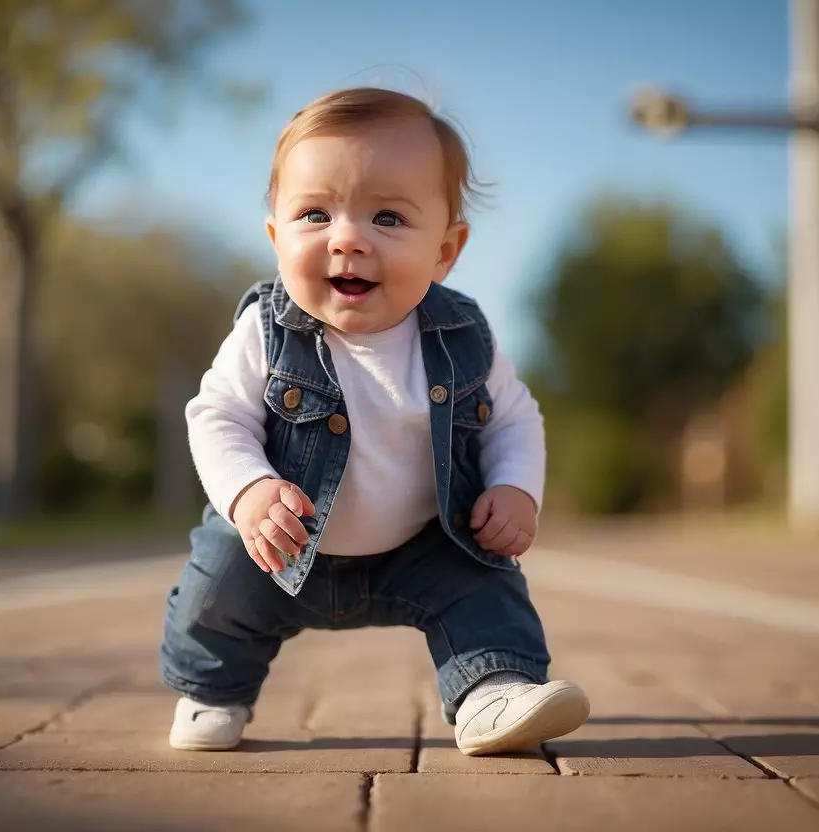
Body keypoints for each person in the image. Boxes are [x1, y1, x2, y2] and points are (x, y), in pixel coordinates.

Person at [160, 87, 590, 756]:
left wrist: (515, 489)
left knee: (486, 585)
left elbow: (513, 419)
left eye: (387, 217)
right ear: (276, 238)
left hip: (421, 546)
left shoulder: (462, 335)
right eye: (313, 214)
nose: (348, 239)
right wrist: (248, 492)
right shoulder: (266, 330)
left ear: (446, 250)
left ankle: (490, 691)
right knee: (216, 586)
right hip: (281, 542)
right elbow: (217, 416)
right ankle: (212, 691)